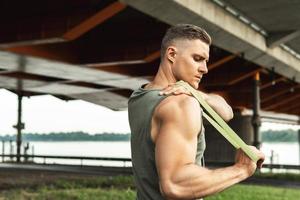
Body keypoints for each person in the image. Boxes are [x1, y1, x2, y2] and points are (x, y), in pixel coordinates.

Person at [128, 24, 265, 200]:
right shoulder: (181, 103)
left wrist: (198, 95)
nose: (205, 68)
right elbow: (174, 185)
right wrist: (241, 169)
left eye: (205, 61)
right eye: (197, 58)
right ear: (171, 54)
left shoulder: (140, 96)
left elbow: (227, 113)